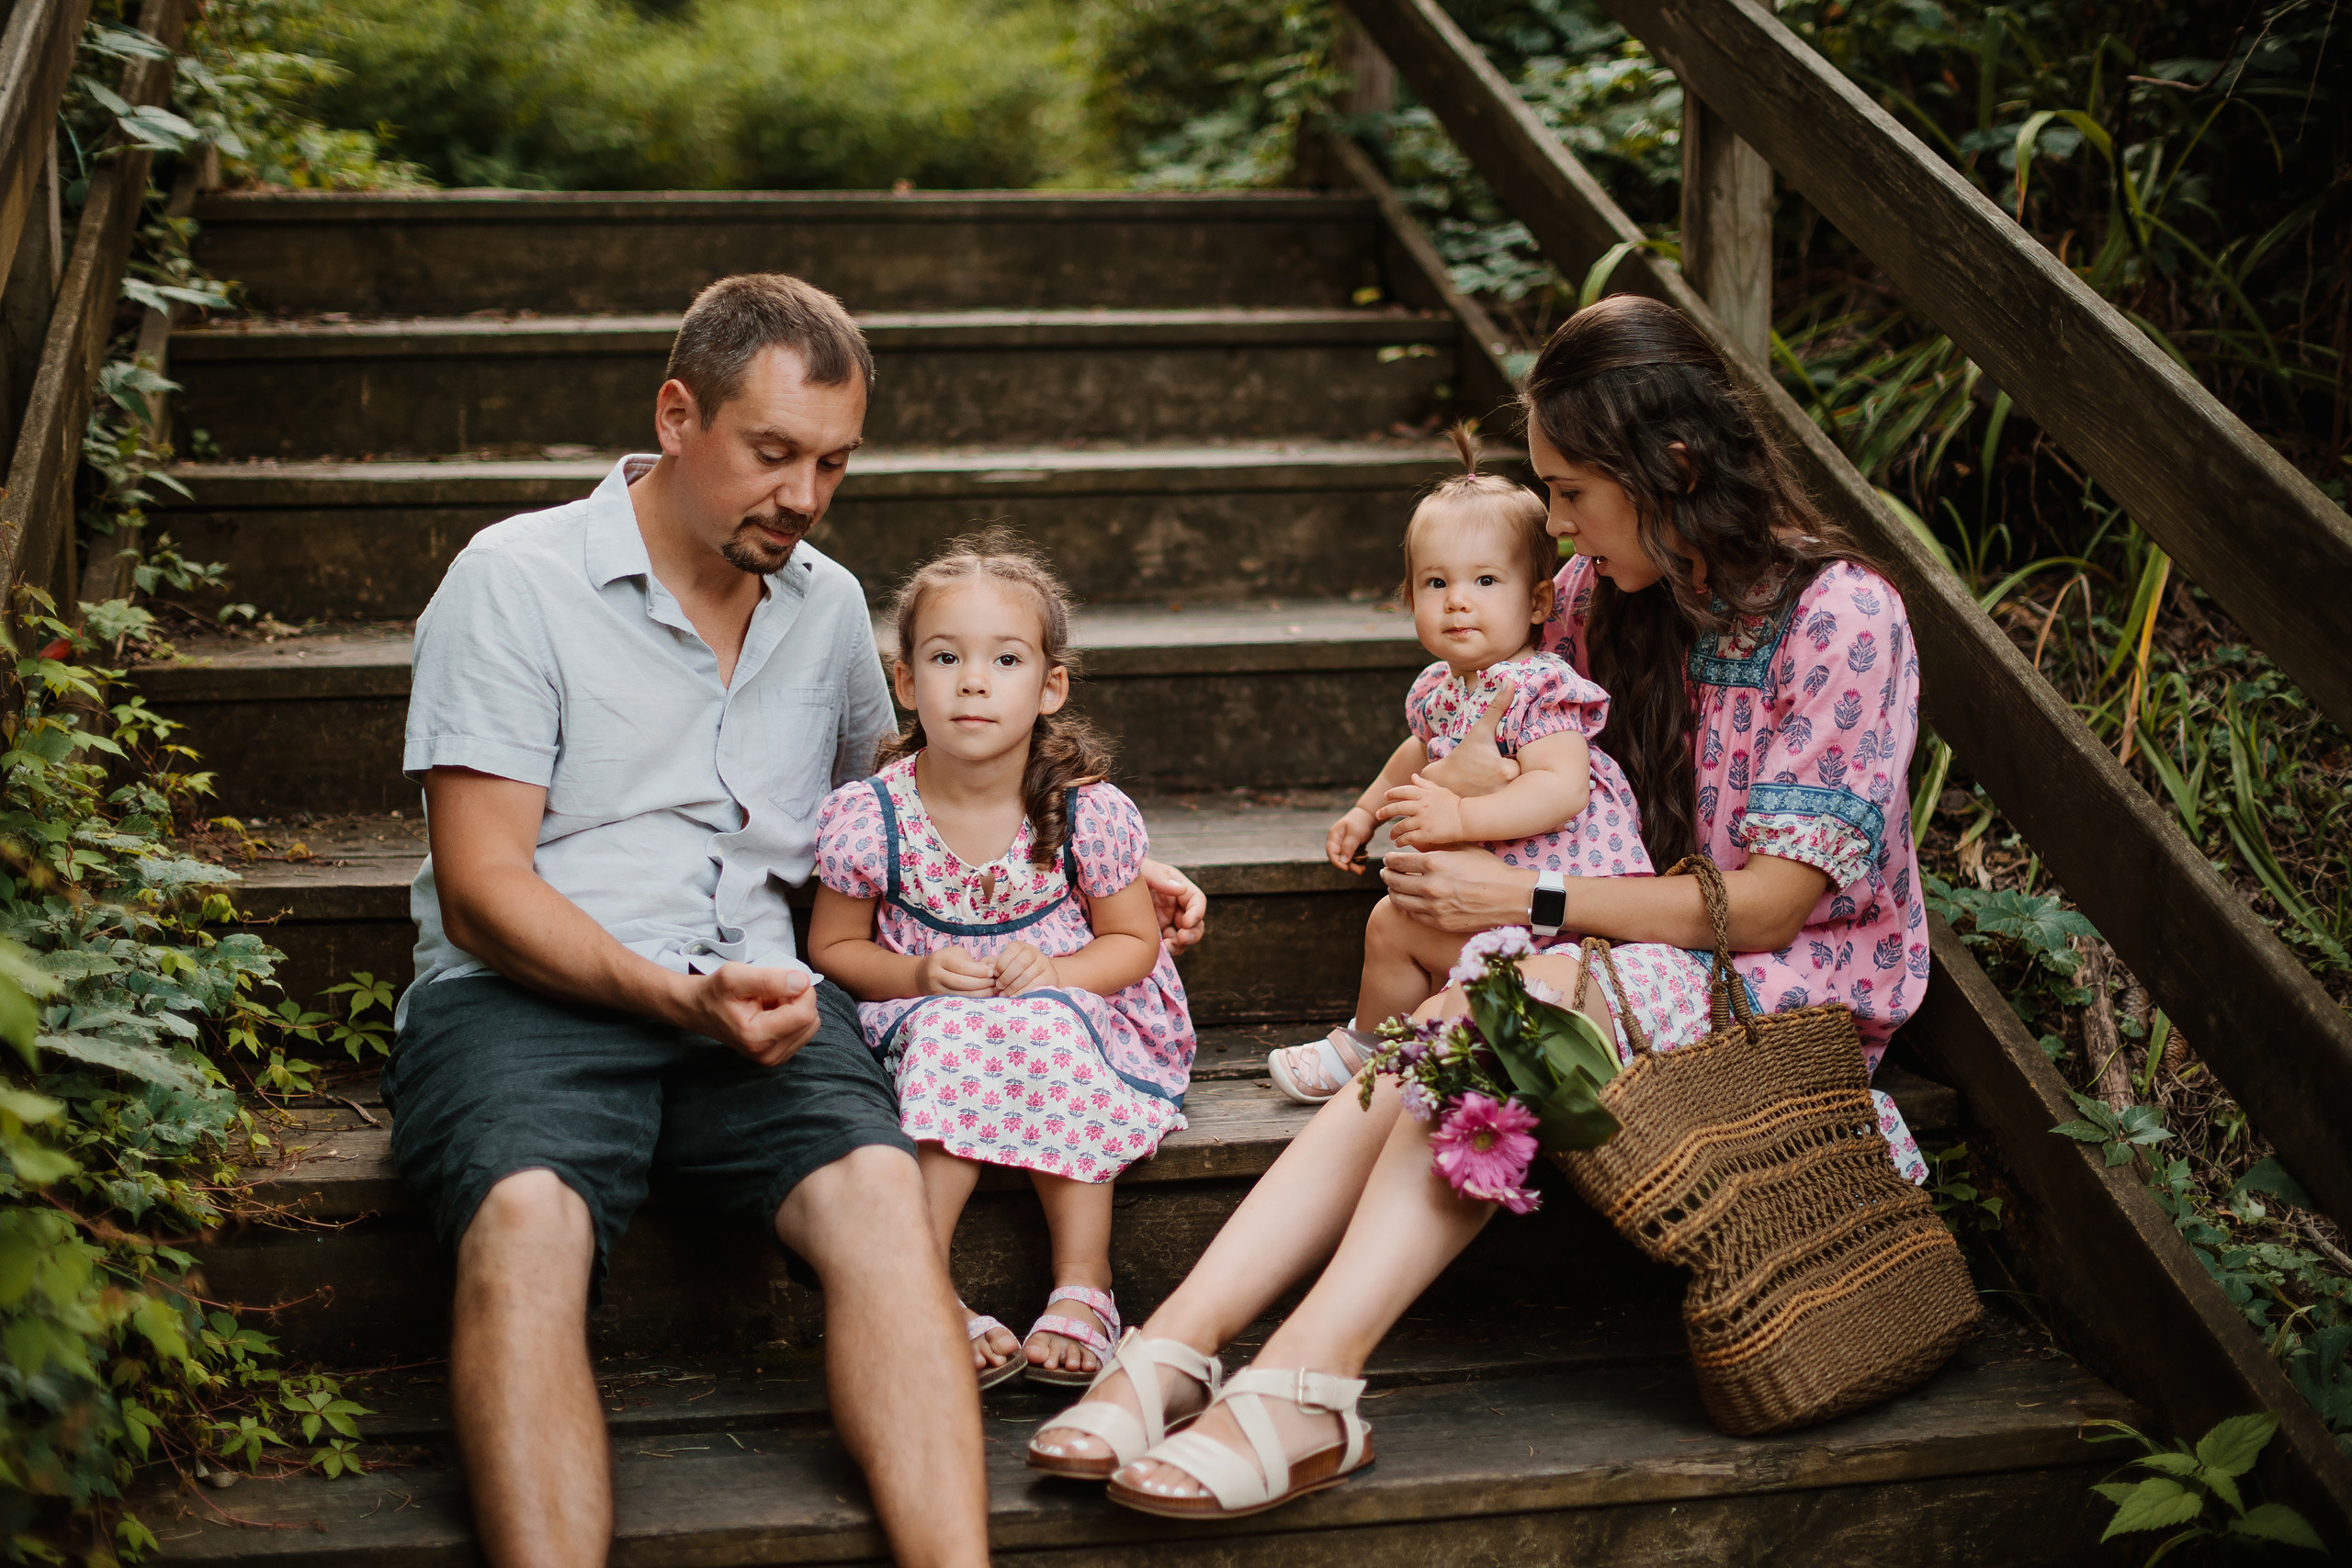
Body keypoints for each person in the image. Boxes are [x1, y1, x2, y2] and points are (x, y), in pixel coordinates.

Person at [1022, 293, 1930, 1521]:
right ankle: (1178, 1344)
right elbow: (1473, 743)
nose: (1553, 526)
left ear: (1669, 464)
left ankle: (1310, 1374)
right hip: (1599, 944)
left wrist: (1523, 889)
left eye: (1568, 491)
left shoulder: (1841, 617)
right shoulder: (1595, 602)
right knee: (1482, 998)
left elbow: (1771, 905)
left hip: (1783, 985)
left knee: (1510, 995)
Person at [387, 272, 1204, 1566]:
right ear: (676, 414)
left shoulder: (825, 602)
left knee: (884, 1194)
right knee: (527, 1218)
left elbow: (898, 813)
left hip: (762, 992)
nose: (806, 496)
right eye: (773, 452)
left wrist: (1093, 874)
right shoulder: (515, 579)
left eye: (834, 462)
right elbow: (485, 887)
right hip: (528, 995)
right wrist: (668, 996)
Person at [808, 534, 1198, 1392]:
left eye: (1006, 658)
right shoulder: (872, 817)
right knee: (955, 1036)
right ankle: (922, 1285)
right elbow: (832, 948)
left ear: (1050, 685)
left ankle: (1084, 1280)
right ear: (907, 683)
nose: (974, 681)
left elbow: (1131, 945)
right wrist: (914, 975)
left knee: (1044, 1026)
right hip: (928, 1009)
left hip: (1079, 1003)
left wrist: (1058, 974)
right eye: (945, 657)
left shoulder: (1084, 813)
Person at [1269, 424, 1652, 1104]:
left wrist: (1461, 813)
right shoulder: (1439, 688)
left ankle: (1410, 1040)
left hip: (1563, 909)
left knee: (1412, 923)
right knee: (1390, 921)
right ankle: (1367, 1042)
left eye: (1484, 580)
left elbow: (1562, 787)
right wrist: (1365, 810)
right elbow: (1416, 751)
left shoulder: (1537, 685)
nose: (1457, 599)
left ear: (1538, 601)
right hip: (1485, 891)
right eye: (1435, 581)